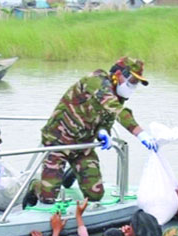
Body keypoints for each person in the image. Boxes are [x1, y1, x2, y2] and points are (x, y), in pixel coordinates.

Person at [23, 56, 158, 207]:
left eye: (137, 83)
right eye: (133, 81)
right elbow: (117, 110)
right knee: (48, 198)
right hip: (59, 140)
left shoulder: (117, 96)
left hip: (83, 145)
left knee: (95, 195)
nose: (133, 86)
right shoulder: (96, 80)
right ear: (119, 74)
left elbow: (107, 120)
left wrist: (103, 133)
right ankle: (35, 185)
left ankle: (74, 171)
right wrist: (140, 133)